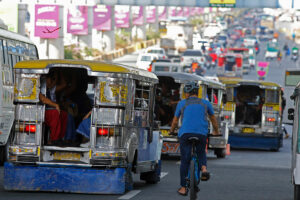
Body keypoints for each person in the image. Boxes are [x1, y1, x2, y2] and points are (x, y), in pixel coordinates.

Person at [169, 82, 220, 196]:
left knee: (185, 161)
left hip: (185, 134)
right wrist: (216, 131)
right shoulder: (206, 103)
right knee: (201, 151)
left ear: (187, 93)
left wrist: (172, 131)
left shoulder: (182, 103)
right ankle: (204, 169)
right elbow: (213, 119)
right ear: (197, 92)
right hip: (201, 134)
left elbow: (175, 121)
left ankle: (183, 187)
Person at [39, 70, 68, 145]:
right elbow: (43, 99)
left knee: (64, 114)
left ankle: (59, 138)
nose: (52, 81)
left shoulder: (50, 88)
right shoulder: (40, 86)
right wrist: (55, 105)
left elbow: (62, 84)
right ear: (46, 79)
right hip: (41, 111)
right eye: (51, 79)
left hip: (48, 110)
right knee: (55, 113)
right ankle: (53, 139)